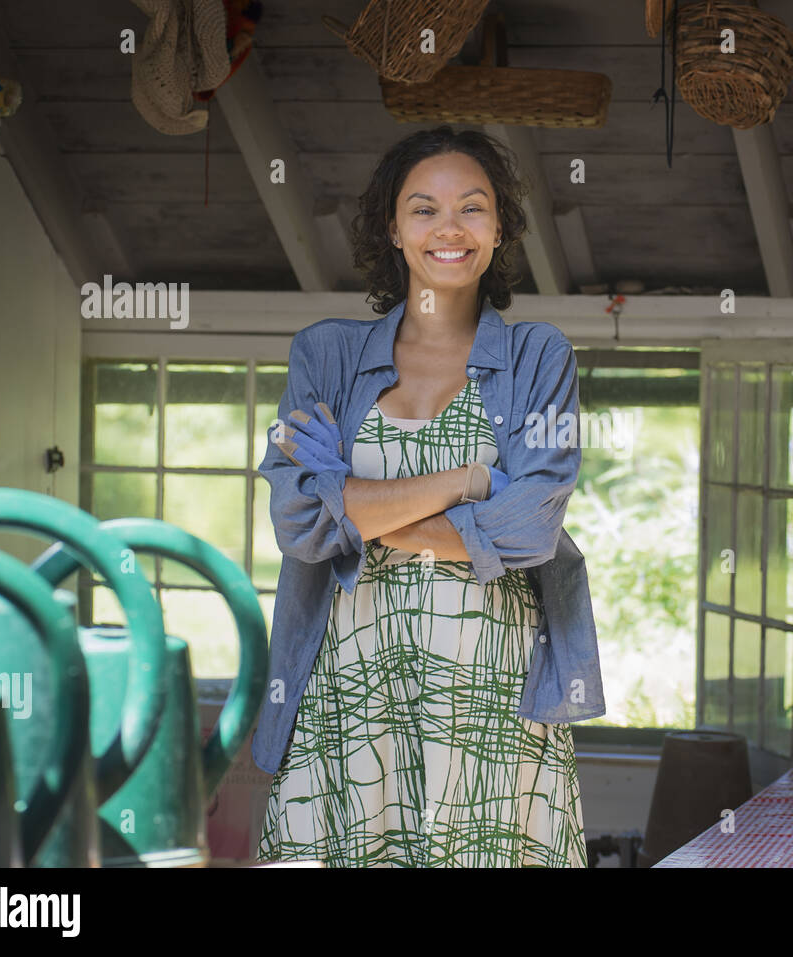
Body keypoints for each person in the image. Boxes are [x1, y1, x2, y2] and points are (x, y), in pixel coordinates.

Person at [252, 125, 605, 867]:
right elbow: (298, 522)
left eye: (472, 208)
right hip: (349, 697)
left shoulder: (539, 357)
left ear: (500, 226)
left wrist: (354, 506)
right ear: (392, 225)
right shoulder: (326, 355)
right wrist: (468, 483)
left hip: (492, 703)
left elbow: (528, 530)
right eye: (424, 208)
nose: (450, 227)